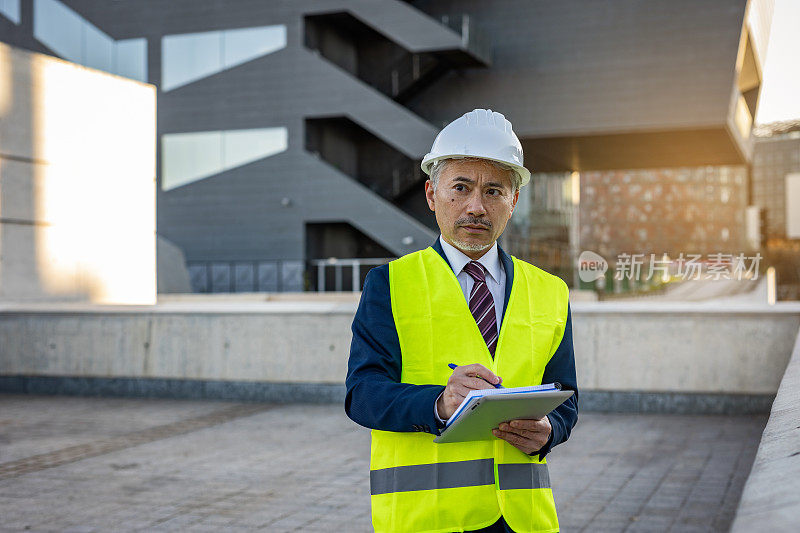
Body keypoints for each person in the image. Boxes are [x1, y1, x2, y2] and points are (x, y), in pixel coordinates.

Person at [345, 109, 578, 533]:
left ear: (514, 201)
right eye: (461, 187)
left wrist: (550, 431)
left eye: (493, 191)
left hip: (524, 521)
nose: (476, 207)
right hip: (427, 520)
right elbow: (362, 394)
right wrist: (439, 403)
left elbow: (566, 396)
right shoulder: (390, 284)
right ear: (433, 195)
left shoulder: (551, 291)